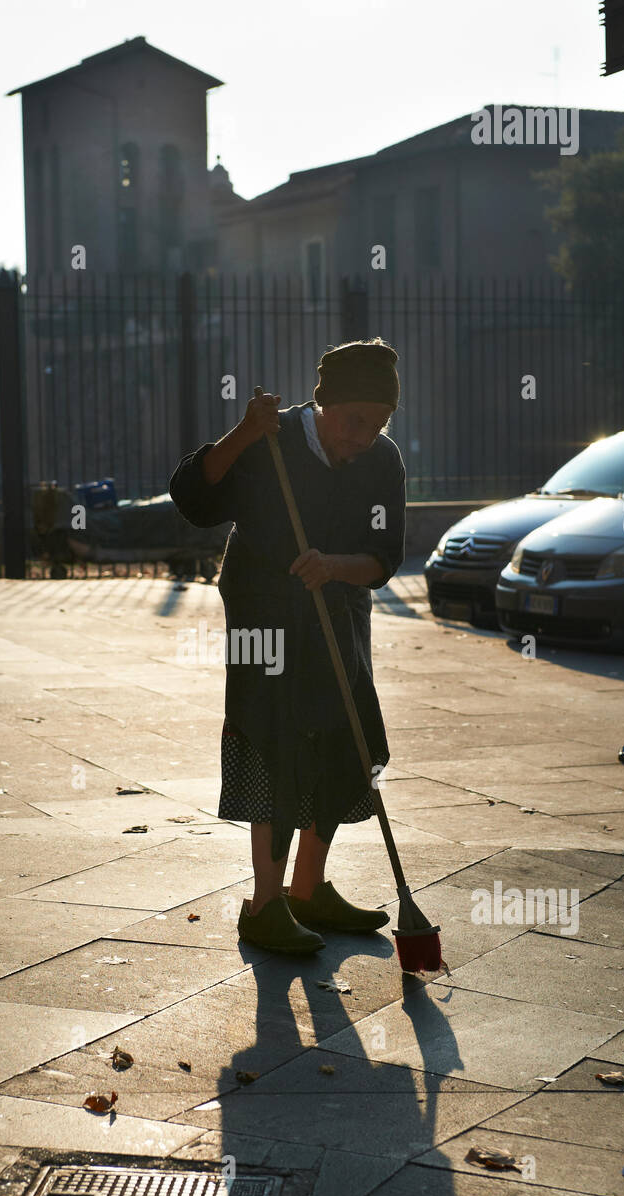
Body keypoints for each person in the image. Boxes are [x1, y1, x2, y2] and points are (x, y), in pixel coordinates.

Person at [169, 339, 406, 954]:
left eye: (377, 423)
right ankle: (264, 904)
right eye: (355, 420)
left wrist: (334, 565)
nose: (362, 436)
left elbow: (384, 559)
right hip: (261, 617)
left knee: (346, 739)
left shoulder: (382, 462)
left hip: (338, 612)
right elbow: (193, 499)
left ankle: (308, 889)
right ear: (323, 402)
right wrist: (243, 434)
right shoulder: (269, 442)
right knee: (271, 738)